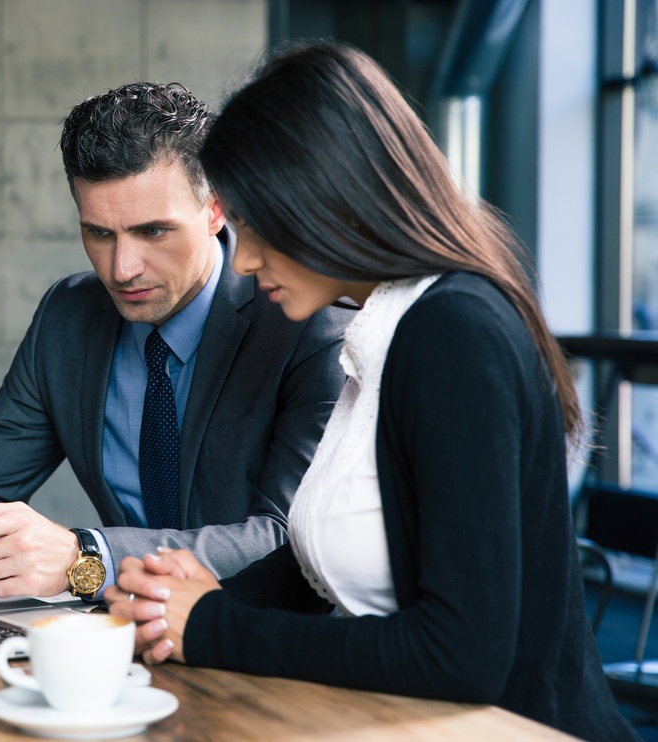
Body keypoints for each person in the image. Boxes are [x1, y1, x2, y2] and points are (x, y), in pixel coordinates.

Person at [106, 42, 638, 741]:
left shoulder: (452, 331)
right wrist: (182, 600)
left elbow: (460, 656)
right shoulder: (386, 327)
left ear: (327, 199)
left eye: (260, 226)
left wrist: (210, 624)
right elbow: (335, 562)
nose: (249, 260)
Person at [0, 81, 353, 602]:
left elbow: (287, 543)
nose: (122, 270)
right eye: (99, 233)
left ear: (216, 210)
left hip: (260, 644)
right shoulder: (68, 316)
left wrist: (86, 559)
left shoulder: (307, 325)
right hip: (121, 639)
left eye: (154, 232)